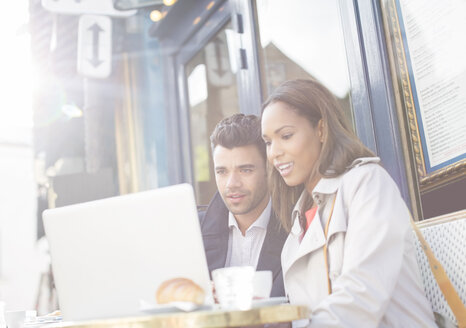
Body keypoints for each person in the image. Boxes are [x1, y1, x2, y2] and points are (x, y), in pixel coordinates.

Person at [261, 79, 436, 327]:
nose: (274, 152)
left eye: (286, 136)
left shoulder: (367, 182)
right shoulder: (298, 219)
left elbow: (363, 292)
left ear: (321, 130)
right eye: (268, 142)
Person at [199, 113, 287, 297]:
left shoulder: (296, 226)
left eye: (245, 170)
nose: (232, 183)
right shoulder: (193, 231)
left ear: (269, 170)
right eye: (222, 171)